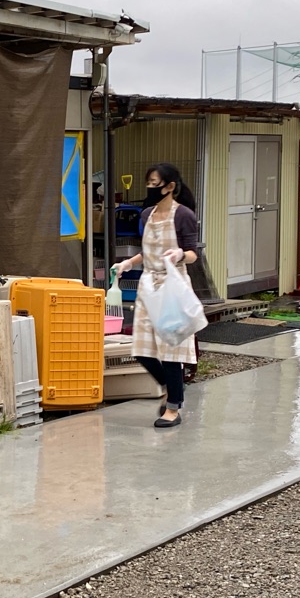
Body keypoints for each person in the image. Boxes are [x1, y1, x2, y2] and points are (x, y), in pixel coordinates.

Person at [111, 163, 199, 429]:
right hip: (149, 285)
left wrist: (180, 254)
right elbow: (147, 251)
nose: (150, 187)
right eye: (148, 182)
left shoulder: (184, 215)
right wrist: (128, 263)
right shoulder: (146, 214)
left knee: (171, 348)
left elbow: (193, 253)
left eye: (154, 183)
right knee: (142, 348)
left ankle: (173, 408)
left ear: (170, 186)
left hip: (173, 285)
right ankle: (172, 387)